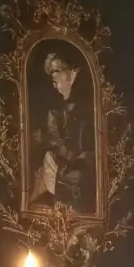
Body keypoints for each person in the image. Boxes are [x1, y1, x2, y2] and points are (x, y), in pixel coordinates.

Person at [29, 45, 96, 214]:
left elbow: (85, 151)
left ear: (71, 74)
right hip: (71, 169)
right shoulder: (61, 109)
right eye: (52, 81)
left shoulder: (86, 105)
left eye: (56, 78)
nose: (55, 86)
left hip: (83, 172)